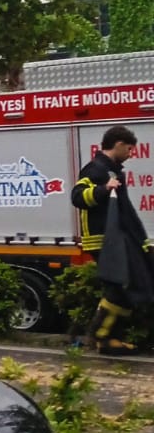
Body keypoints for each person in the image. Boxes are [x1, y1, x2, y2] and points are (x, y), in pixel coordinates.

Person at [71, 125, 149, 355]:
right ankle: (101, 337)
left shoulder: (115, 172)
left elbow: (126, 211)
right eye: (129, 149)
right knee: (118, 286)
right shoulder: (95, 169)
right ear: (118, 144)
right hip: (102, 240)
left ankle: (105, 337)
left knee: (127, 287)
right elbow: (78, 197)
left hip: (118, 238)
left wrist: (143, 241)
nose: (131, 154)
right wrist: (104, 188)